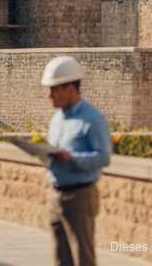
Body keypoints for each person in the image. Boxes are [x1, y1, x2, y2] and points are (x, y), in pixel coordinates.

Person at [42, 56, 111, 266]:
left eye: (54, 89)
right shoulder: (57, 118)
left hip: (80, 196)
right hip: (56, 195)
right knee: (61, 259)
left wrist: (71, 158)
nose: (49, 95)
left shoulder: (93, 118)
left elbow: (103, 157)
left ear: (70, 88)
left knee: (83, 258)